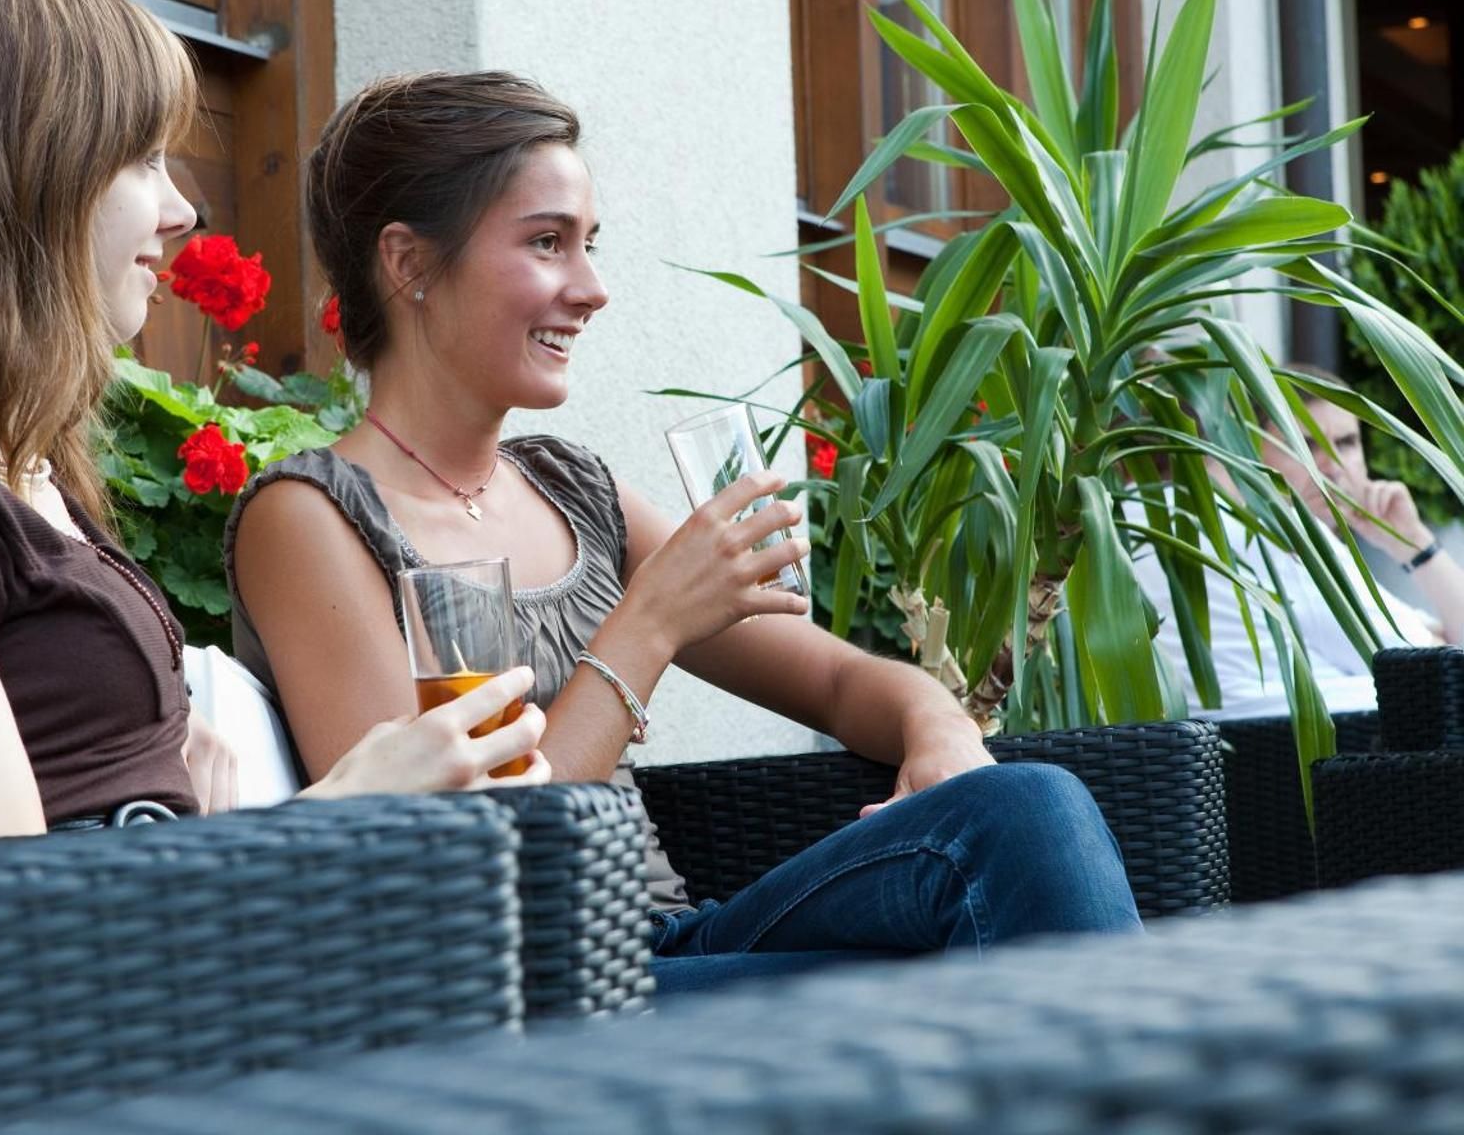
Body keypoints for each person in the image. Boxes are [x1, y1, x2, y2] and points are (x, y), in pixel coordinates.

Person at [225, 71, 1143, 994]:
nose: (593, 289)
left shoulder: (573, 490)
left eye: (588, 245)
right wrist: (651, 623)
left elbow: (837, 679)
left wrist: (938, 729)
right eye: (547, 243)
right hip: (534, 990)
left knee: (1023, 808)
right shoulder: (310, 518)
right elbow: (460, 872)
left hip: (671, 947)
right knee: (941, 972)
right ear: (408, 263)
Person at [0, 0, 549, 852]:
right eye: (142, 159)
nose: (182, 211)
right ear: (17, 177)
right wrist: (343, 812)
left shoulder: (20, 471)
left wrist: (170, 783)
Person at [1136, 365, 1462, 718]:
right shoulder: (1274, 534)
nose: (1333, 467)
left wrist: (1408, 542)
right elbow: (1440, 662)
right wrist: (1417, 545)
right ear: (1246, 449)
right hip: (1337, 741)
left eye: (1346, 443)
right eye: (1304, 445)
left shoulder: (1141, 515)